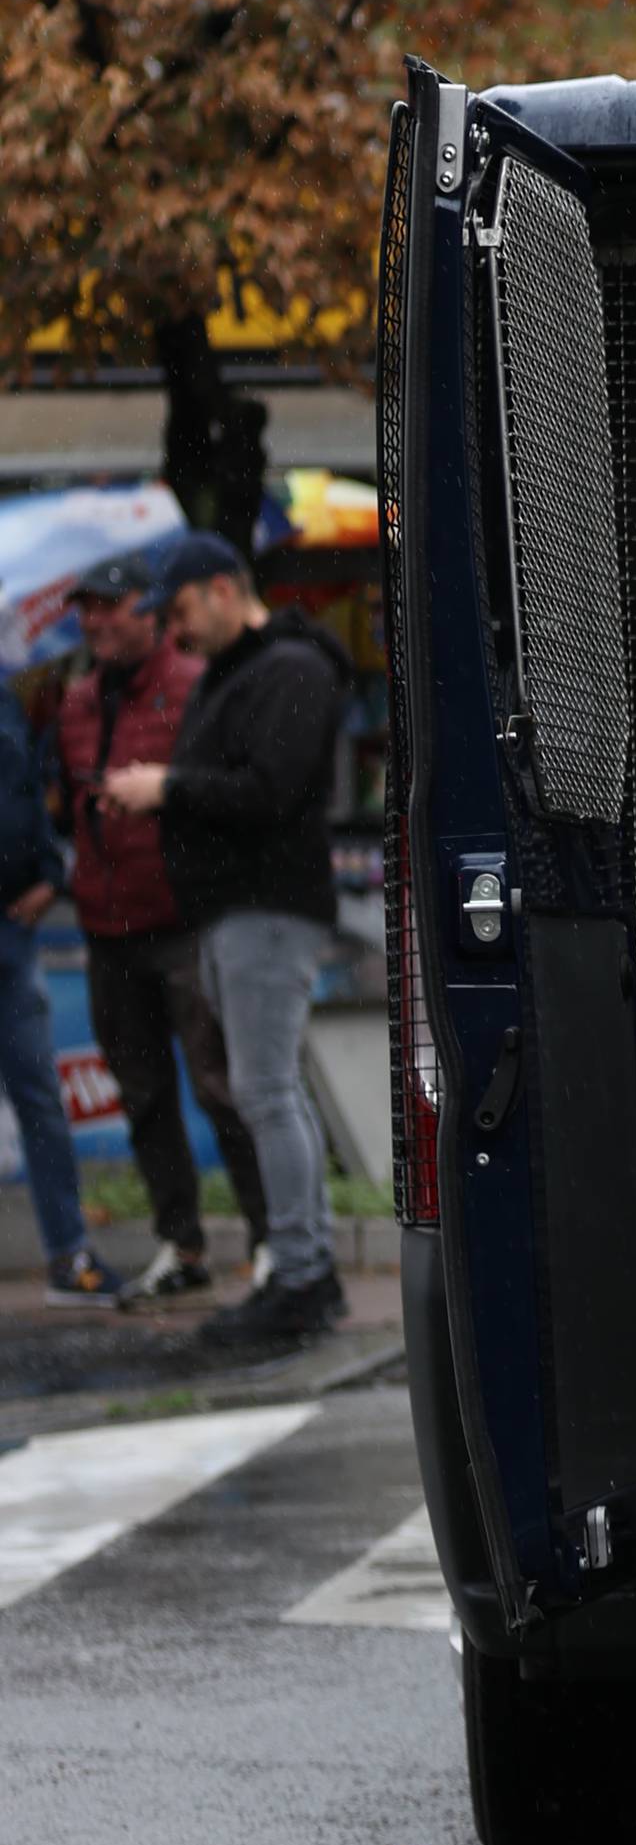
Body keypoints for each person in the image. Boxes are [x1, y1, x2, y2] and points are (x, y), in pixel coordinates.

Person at [99, 534, 350, 1355]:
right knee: (269, 1092)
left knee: (267, 1091)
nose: (176, 631)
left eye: (178, 611)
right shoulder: (248, 670)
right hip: (238, 910)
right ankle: (301, 1270)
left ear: (217, 590)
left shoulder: (287, 670)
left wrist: (165, 787)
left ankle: (303, 1274)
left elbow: (268, 790)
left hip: (264, 908)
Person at [54, 554, 270, 1307]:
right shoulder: (77, 701)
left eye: (109, 607)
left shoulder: (192, 685)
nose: (96, 621)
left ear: (149, 614)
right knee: (142, 1093)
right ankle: (182, 1244)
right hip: (107, 925)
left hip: (182, 921)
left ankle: (269, 1240)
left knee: (220, 1082)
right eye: (86, 609)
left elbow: (221, 792)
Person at [0, 667, 114, 1305]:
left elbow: (21, 796)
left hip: (12, 929)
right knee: (40, 1101)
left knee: (41, 1100)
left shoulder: (5, 693)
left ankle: (70, 1255)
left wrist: (48, 871)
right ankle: (69, 1252)